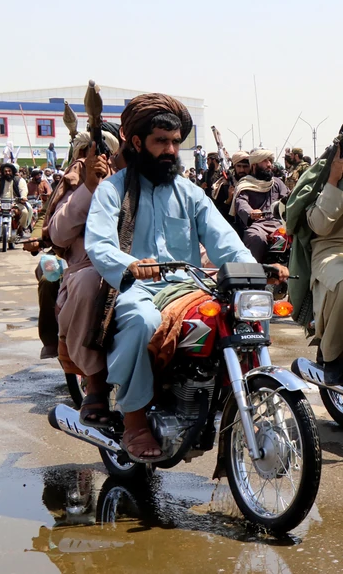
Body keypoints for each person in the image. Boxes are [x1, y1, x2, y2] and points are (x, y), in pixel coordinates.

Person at [85, 93, 278, 460]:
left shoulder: (191, 193)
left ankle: (233, 401)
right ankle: (135, 420)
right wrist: (127, 264)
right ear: (138, 143)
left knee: (245, 316)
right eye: (162, 142)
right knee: (142, 321)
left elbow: (224, 241)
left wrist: (257, 270)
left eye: (176, 142)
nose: (171, 150)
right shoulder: (113, 190)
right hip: (137, 287)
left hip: (188, 286)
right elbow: (98, 242)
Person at [285, 113, 343, 385]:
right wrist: (334, 183)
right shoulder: (327, 176)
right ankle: (331, 358)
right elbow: (319, 225)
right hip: (332, 251)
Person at [46, 129, 121, 425]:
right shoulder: (74, 178)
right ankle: (96, 382)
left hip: (139, 263)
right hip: (87, 268)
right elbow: (58, 233)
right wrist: (88, 186)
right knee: (87, 282)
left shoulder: (130, 177)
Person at [231, 149, 290, 262]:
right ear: (254, 165)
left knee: (289, 237)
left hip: (278, 224)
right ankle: (253, 273)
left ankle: (282, 269)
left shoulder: (276, 182)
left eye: (270, 161)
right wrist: (251, 212)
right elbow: (241, 203)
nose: (269, 164)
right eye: (265, 161)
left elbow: (287, 198)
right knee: (255, 238)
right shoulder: (245, 184)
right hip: (258, 225)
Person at [0, 162, 31, 244]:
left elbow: (23, 190)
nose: (7, 173)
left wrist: (23, 197)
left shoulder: (19, 180)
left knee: (25, 212)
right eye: (5, 171)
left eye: (9, 171)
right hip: (1, 202)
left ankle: (20, 228)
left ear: (12, 171)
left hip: (16, 202)